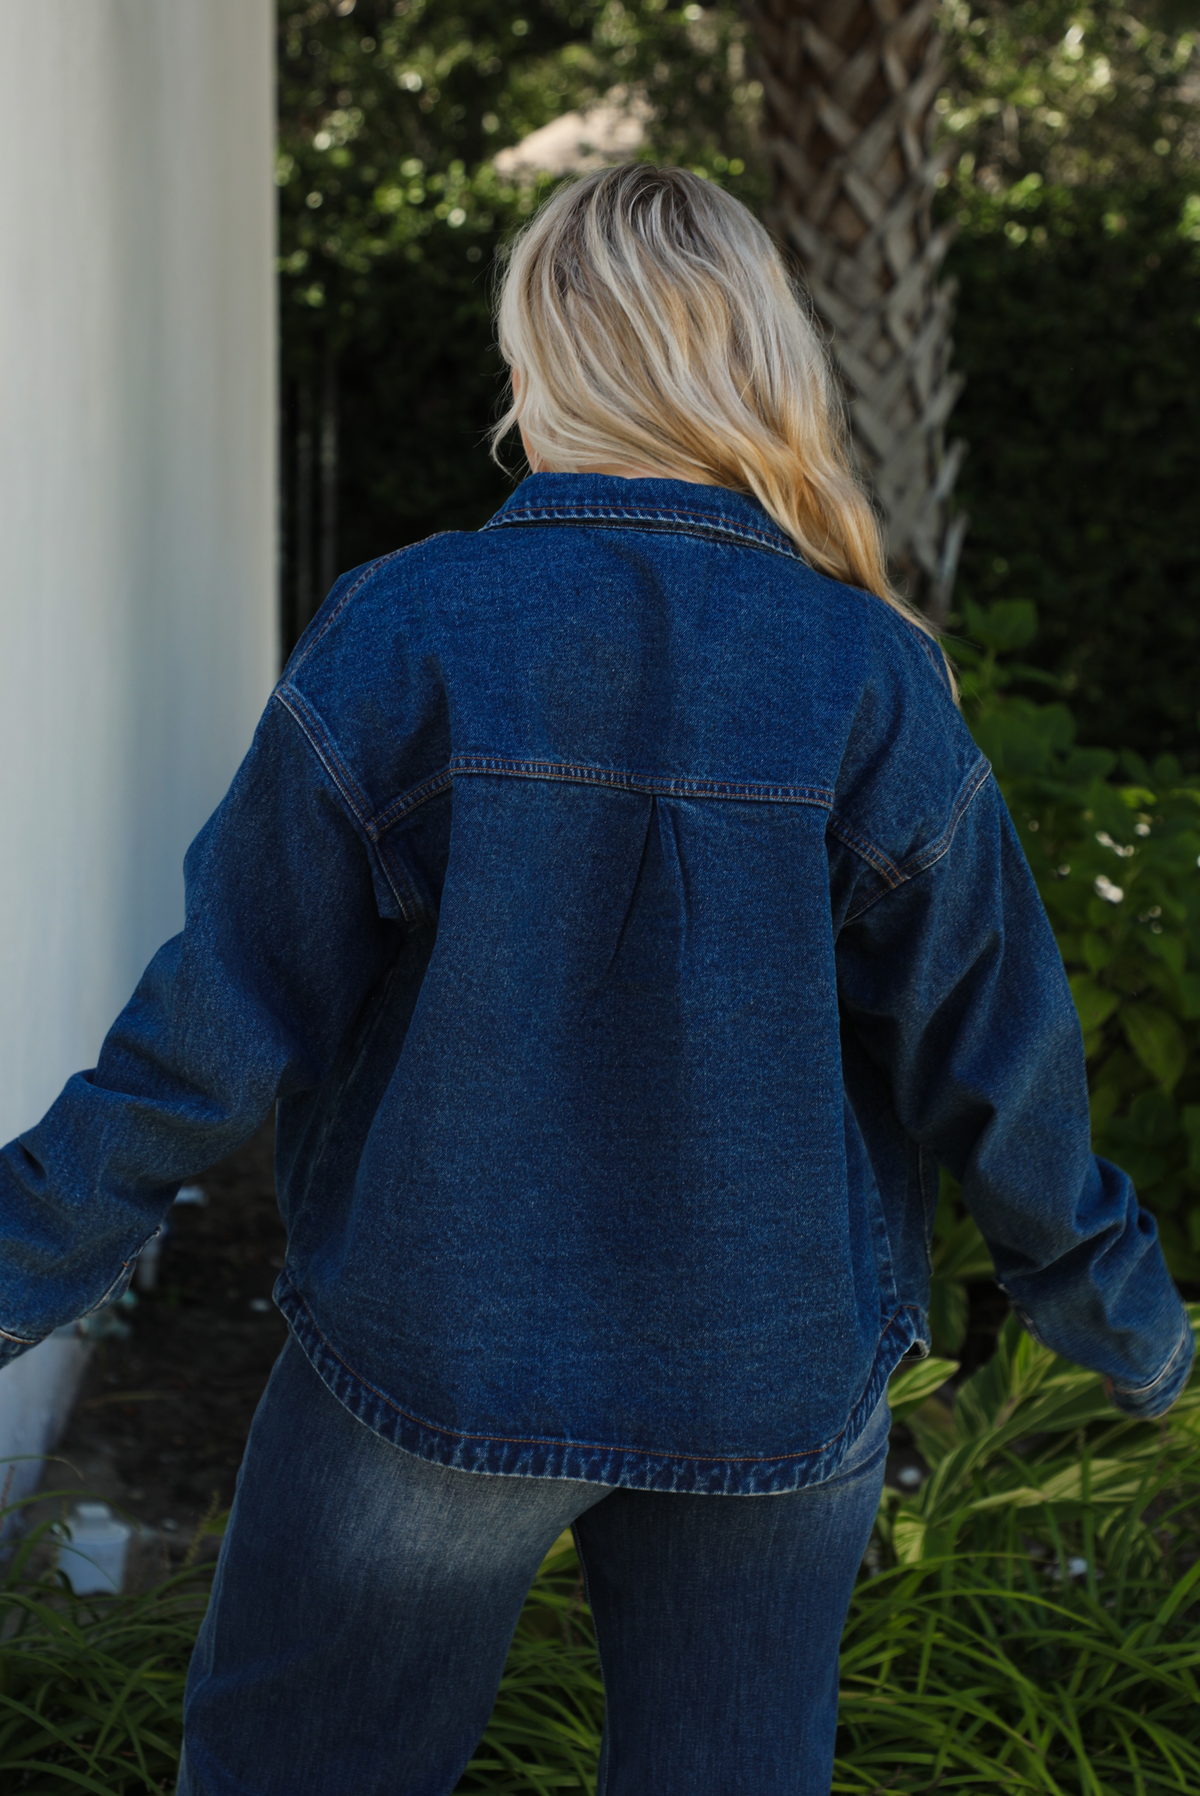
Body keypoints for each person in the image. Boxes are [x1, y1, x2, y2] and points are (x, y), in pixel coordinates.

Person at [0, 165, 1191, 1796]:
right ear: (754, 361)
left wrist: (21, 1259)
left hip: (439, 1353)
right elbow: (999, 1052)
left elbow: (215, 1025)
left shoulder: (408, 630)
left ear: (541, 365)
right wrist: (1129, 1327)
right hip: (772, 1381)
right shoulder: (869, 674)